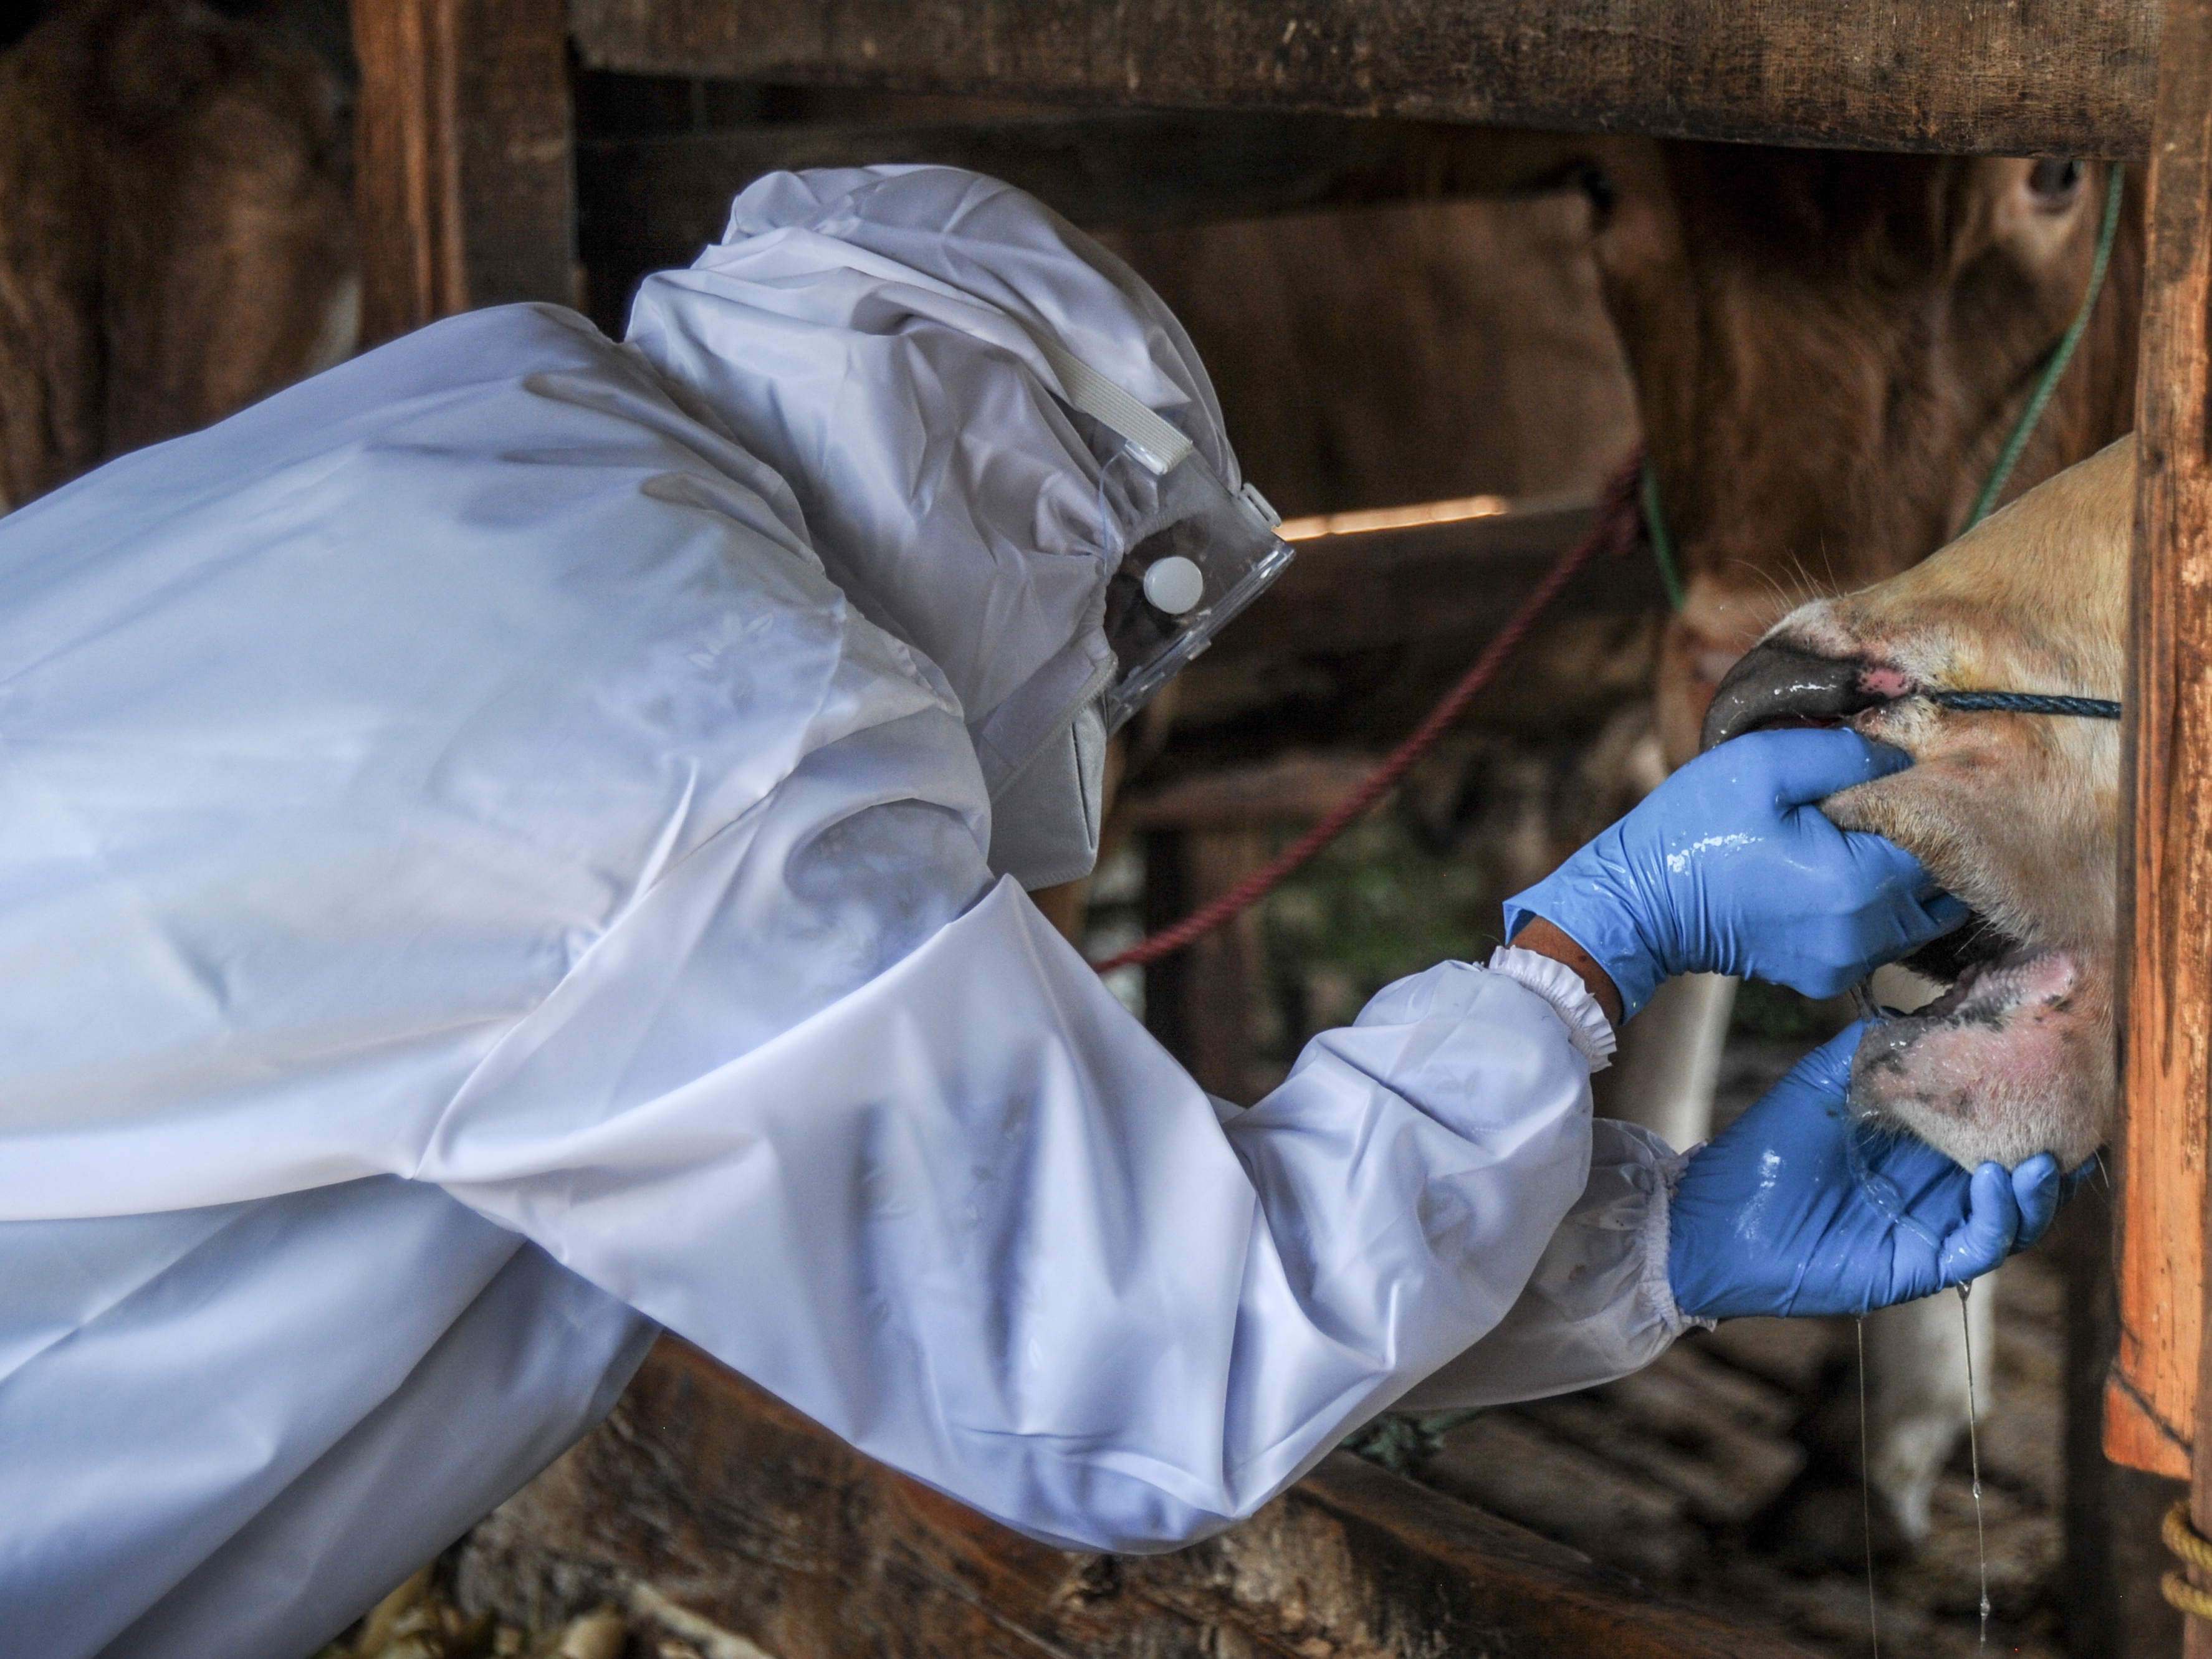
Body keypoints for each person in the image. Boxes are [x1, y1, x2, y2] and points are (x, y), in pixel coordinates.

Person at [0, 166, 2062, 1659]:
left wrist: (1643, 1244)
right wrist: (1593, 938)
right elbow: (1138, 1366)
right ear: (1038, 533)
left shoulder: (493, 454)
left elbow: (958, 1244)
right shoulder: (695, 731)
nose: (1091, 742)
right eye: (1105, 661)